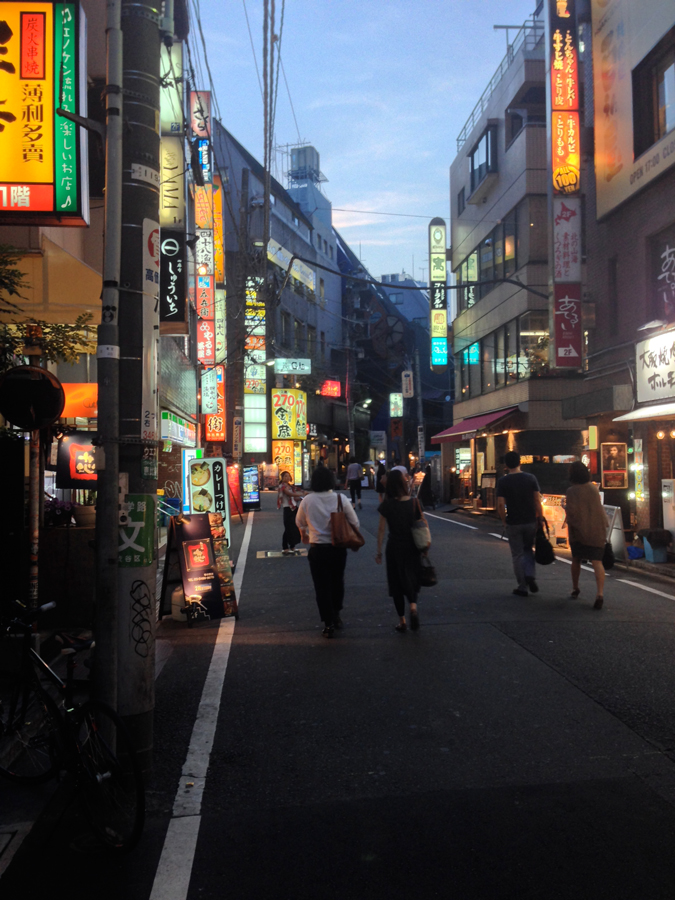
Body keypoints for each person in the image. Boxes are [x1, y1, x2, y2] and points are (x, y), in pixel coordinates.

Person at [296, 467, 359, 638]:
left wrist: (304, 534)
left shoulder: (307, 500)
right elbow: (355, 522)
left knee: (321, 586)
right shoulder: (340, 499)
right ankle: (336, 613)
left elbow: (299, 522)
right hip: (338, 548)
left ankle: (328, 623)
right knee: (337, 582)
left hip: (317, 549)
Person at [376, 468, 423, 632]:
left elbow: (381, 529)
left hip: (394, 546)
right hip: (412, 546)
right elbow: (422, 525)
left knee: (396, 582)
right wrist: (425, 546)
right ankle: (413, 606)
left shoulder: (387, 505)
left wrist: (378, 551)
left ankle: (402, 621)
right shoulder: (414, 503)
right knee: (411, 577)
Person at [497, 450, 543, 597]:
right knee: (528, 550)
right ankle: (530, 575)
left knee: (517, 555)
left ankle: (522, 586)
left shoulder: (503, 481)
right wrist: (540, 518)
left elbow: (500, 504)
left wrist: (504, 520)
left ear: (506, 465)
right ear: (520, 462)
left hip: (514, 522)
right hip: (530, 520)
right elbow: (537, 500)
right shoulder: (530, 478)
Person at [565, 460, 607, 609]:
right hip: (597, 529)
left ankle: (575, 588)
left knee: (576, 559)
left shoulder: (572, 491)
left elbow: (573, 512)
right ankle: (600, 594)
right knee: (597, 561)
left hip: (579, 531)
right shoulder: (593, 488)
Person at [277, 472, 304, 555]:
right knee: (288, 528)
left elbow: (294, 497)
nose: (287, 477)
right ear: (282, 477)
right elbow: (289, 494)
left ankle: (292, 546)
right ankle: (285, 547)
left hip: (294, 508)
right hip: (287, 509)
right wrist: (301, 494)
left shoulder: (291, 486)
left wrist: (301, 498)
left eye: (288, 476)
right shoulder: (282, 486)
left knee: (295, 527)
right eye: (285, 476)